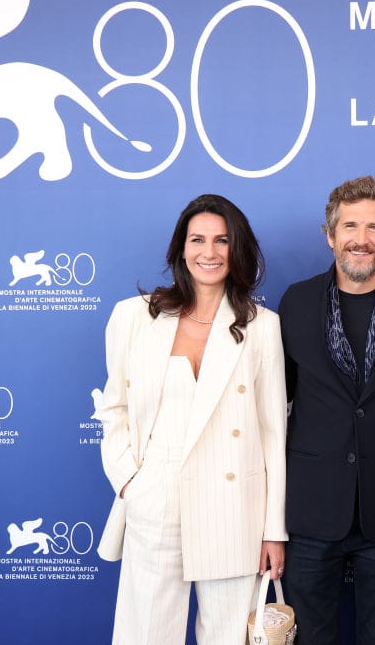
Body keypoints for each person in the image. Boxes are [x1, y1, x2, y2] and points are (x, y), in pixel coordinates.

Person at [92, 194, 287, 645]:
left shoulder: (262, 326)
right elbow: (114, 407)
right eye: (197, 240)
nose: (209, 252)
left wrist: (273, 530)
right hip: (156, 495)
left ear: (237, 250)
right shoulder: (134, 317)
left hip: (235, 503)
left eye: (222, 241)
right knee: (146, 634)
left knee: (226, 636)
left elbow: (272, 432)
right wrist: (129, 481)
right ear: (181, 248)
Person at [278, 175, 375, 645]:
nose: (360, 239)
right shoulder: (296, 302)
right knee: (308, 637)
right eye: (349, 226)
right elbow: (276, 402)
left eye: (373, 228)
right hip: (310, 510)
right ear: (330, 236)